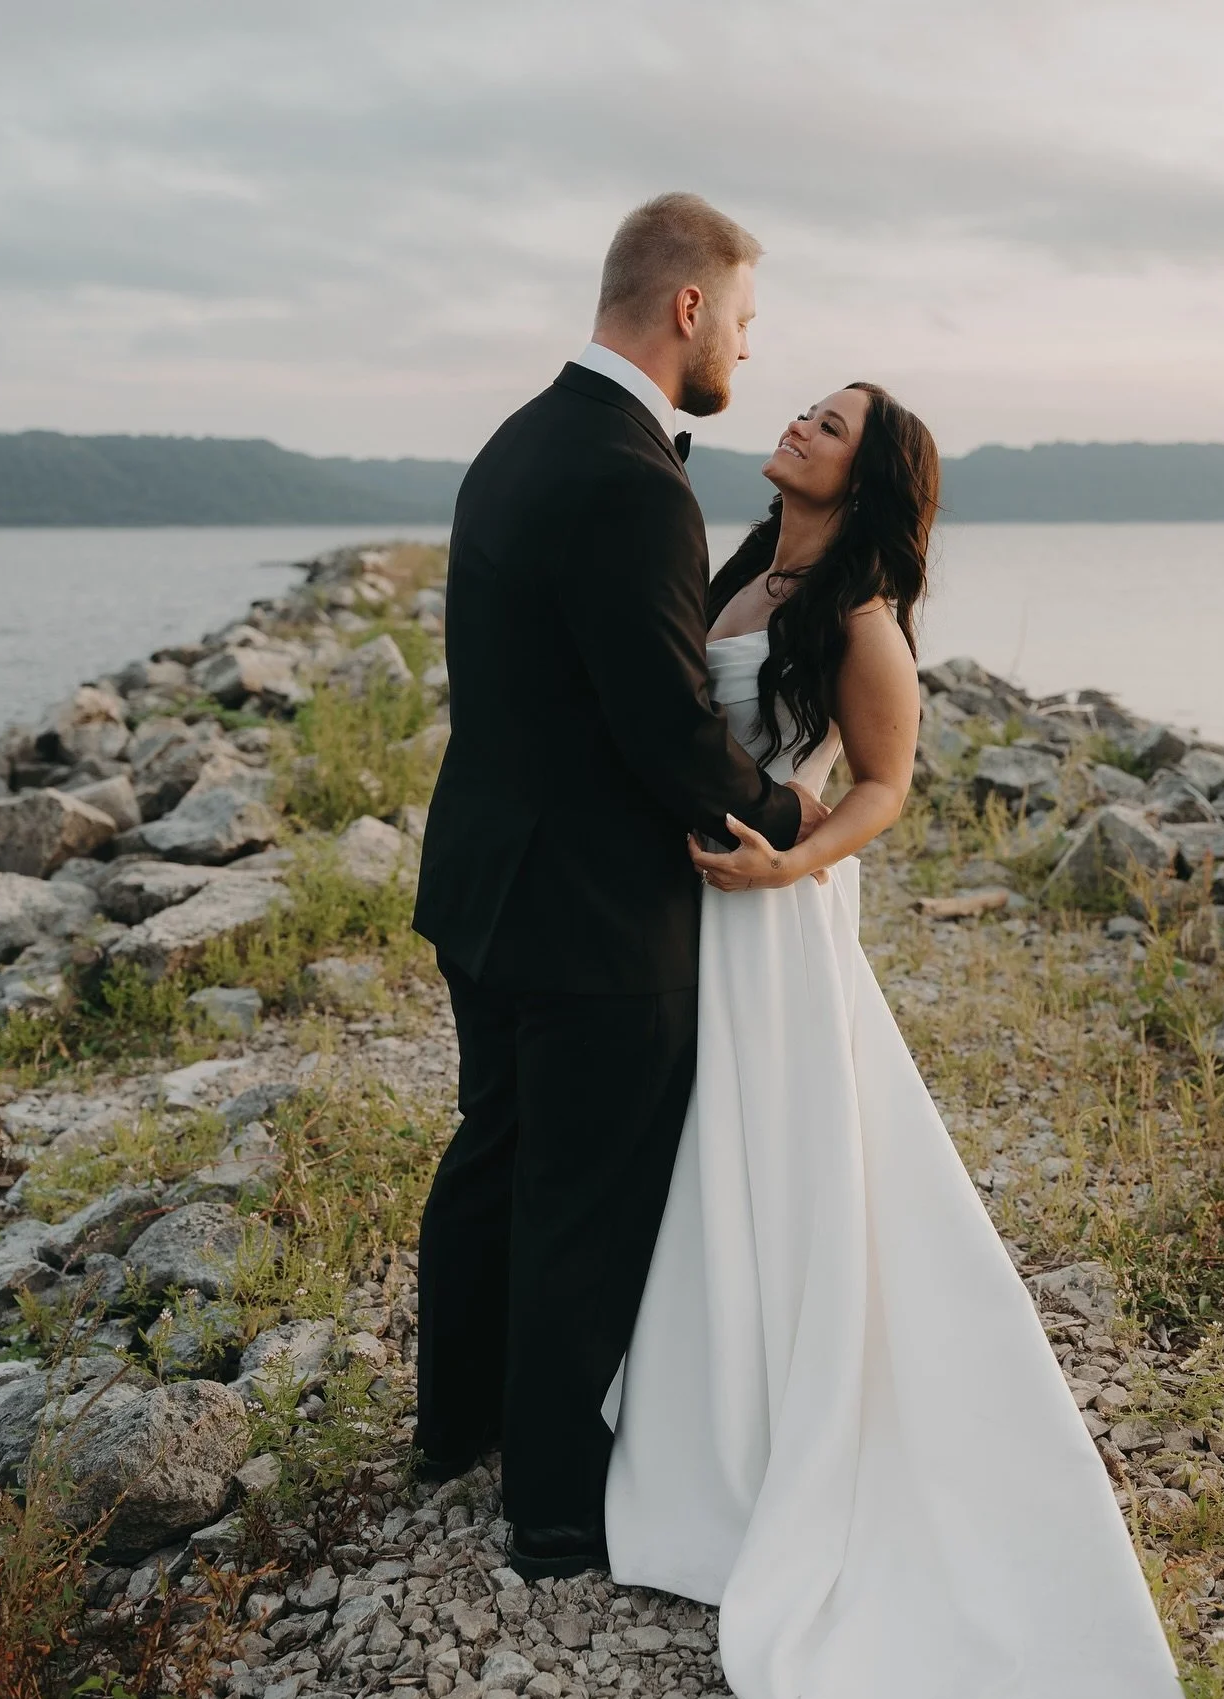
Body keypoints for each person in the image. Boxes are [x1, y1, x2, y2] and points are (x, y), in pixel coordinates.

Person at [604, 383, 1189, 1699]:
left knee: (780, 1161)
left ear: (866, 478)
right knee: (703, 1160)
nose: (800, 422)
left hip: (775, 922)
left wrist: (785, 865)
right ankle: (694, 1408)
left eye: (830, 424)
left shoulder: (858, 617)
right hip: (701, 915)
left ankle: (774, 1449)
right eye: (808, 407)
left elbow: (883, 785)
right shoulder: (747, 568)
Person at [410, 194, 826, 1581]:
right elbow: (661, 725)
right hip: (593, 912)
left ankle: (453, 1423)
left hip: (485, 882)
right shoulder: (633, 476)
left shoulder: (518, 442)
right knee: (583, 1200)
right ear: (689, 308)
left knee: (495, 1156)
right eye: (747, 323)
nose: (749, 358)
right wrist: (788, 815)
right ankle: (552, 1511)